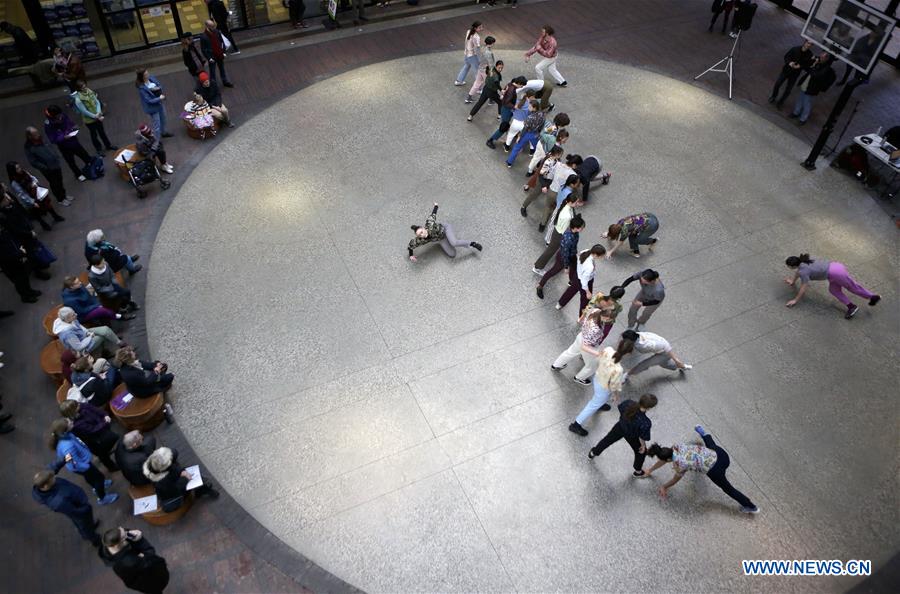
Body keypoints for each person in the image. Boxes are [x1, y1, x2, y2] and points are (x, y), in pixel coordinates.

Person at [645, 425, 760, 513]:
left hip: (715, 470)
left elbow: (675, 480)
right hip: (722, 456)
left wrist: (664, 486)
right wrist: (650, 470)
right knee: (711, 446)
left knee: (728, 489)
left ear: (669, 460)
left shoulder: (680, 464)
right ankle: (703, 433)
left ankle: (751, 506)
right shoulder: (677, 446)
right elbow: (663, 459)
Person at [568, 334, 635, 436]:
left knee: (598, 399)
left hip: (597, 377)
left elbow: (599, 357)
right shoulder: (618, 369)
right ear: (629, 353)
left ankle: (600, 404)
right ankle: (576, 424)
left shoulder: (608, 350)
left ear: (619, 344)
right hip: (604, 387)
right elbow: (614, 385)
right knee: (592, 405)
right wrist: (616, 395)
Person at [551, 290, 621, 384]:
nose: (612, 320)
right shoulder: (596, 329)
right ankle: (580, 378)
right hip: (589, 345)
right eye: (611, 318)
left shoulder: (595, 311)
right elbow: (585, 346)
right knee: (592, 365)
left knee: (570, 352)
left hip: (581, 336)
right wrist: (597, 353)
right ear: (605, 318)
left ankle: (556, 365)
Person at [784, 254, 879, 319]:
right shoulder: (803, 262)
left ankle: (873, 297)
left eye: (788, 266)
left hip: (836, 273)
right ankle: (851, 307)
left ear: (792, 266)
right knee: (834, 290)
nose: (788, 267)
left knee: (853, 287)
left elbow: (804, 287)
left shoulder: (803, 271)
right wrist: (792, 281)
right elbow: (798, 273)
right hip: (835, 267)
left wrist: (795, 300)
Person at [48, 418, 119, 505]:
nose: (71, 422)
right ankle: (102, 498)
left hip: (82, 464)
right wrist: (87, 467)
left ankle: (96, 487)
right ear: (65, 429)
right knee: (99, 478)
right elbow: (74, 463)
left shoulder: (66, 436)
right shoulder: (67, 446)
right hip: (82, 466)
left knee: (90, 478)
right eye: (69, 423)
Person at [588, 393, 658, 476]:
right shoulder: (645, 422)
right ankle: (638, 470)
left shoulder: (628, 403)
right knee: (641, 452)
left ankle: (594, 452)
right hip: (632, 436)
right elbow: (642, 437)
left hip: (620, 427)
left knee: (607, 440)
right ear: (649, 408)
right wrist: (643, 446)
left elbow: (620, 408)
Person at [32, 471, 101, 546]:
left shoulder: (45, 487)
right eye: (52, 479)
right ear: (45, 486)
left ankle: (89, 528)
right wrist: (85, 508)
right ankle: (94, 540)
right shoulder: (58, 502)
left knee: (83, 523)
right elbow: (74, 511)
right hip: (79, 509)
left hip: (77, 505)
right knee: (83, 525)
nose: (55, 477)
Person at [143, 447, 219, 510]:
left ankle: (201, 487)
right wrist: (185, 478)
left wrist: (181, 471)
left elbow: (172, 464)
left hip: (171, 481)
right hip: (171, 493)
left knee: (187, 473)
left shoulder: (154, 465)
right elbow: (175, 489)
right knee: (190, 479)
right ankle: (201, 489)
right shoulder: (161, 481)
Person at [0, 189, 53, 280]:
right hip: (22, 238)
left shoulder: (11, 205)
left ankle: (40, 265)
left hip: (26, 232)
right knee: (31, 254)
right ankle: (37, 271)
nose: (8, 198)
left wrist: (30, 227)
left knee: (34, 249)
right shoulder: (3, 215)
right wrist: (29, 233)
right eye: (5, 197)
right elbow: (14, 229)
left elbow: (21, 215)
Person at [99, 527, 170, 594]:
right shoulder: (130, 561)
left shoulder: (108, 552)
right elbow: (152, 556)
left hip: (139, 583)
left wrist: (129, 533)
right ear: (118, 544)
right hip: (151, 581)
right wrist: (140, 540)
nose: (127, 533)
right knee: (156, 590)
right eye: (124, 536)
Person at [533, 183, 583, 272]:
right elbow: (565, 230)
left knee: (550, 250)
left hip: (558, 232)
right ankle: (537, 267)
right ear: (570, 202)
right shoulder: (567, 215)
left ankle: (538, 265)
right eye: (576, 202)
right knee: (550, 251)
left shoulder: (567, 207)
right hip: (559, 235)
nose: (577, 204)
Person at [60, 399, 120, 472]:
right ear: (72, 412)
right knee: (102, 455)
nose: (79, 404)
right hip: (94, 441)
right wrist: (105, 422)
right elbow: (92, 430)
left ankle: (107, 453)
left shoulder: (82, 406)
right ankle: (111, 467)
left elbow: (95, 409)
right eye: (76, 405)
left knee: (108, 443)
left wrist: (104, 414)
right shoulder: (76, 424)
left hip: (101, 427)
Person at [408, 203, 482, 261]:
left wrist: (436, 206)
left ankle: (473, 243)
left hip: (445, 229)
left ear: (423, 228)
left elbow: (433, 214)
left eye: (421, 232)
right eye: (419, 235)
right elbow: (411, 246)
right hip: (441, 239)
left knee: (454, 242)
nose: (422, 235)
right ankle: (449, 240)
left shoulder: (429, 224)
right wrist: (411, 255)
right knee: (452, 254)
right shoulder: (421, 240)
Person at [536, 214, 585, 300]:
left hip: (571, 254)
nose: (583, 229)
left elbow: (573, 246)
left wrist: (575, 253)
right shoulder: (567, 238)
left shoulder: (575, 233)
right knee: (553, 271)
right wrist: (566, 267)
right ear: (576, 227)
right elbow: (565, 254)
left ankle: (571, 281)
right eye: (581, 227)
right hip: (563, 258)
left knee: (574, 268)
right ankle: (540, 285)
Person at [6, 161, 64, 230]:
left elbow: (32, 177)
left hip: (36, 192)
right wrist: (32, 202)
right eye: (17, 168)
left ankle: (55, 216)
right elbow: (22, 194)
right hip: (30, 197)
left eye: (19, 167)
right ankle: (43, 224)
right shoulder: (14, 182)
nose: (20, 169)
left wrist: (34, 182)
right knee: (36, 212)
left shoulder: (24, 172)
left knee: (47, 204)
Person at [23, 127, 74, 207]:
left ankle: (64, 195)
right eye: (35, 134)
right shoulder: (29, 147)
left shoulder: (41, 139)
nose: (38, 134)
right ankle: (60, 199)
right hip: (48, 169)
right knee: (54, 183)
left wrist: (56, 156)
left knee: (60, 180)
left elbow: (50, 146)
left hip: (55, 164)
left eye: (37, 132)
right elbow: (33, 162)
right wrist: (44, 167)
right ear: (30, 136)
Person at [43, 105, 93, 181]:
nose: (60, 117)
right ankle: (78, 174)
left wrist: (73, 127)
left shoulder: (62, 116)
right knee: (70, 161)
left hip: (73, 140)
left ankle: (91, 166)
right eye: (58, 116)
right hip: (64, 146)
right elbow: (52, 138)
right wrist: (63, 137)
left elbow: (69, 123)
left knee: (83, 154)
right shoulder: (48, 125)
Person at [621, 329, 692, 380]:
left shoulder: (643, 345)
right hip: (661, 348)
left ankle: (627, 375)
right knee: (666, 364)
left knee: (645, 364)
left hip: (664, 353)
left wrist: (676, 359)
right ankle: (682, 366)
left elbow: (664, 345)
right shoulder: (638, 334)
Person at [53, 306, 122, 357]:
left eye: (74, 313)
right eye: (73, 315)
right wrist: (90, 337)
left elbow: (79, 326)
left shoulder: (70, 320)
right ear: (67, 319)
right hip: (82, 348)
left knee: (105, 329)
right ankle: (105, 352)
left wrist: (87, 332)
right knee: (102, 336)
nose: (76, 314)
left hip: (84, 335)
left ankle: (119, 342)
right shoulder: (67, 334)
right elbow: (78, 347)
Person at [71, 80, 117, 155]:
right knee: (94, 135)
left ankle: (108, 145)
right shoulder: (78, 99)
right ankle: (98, 149)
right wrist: (95, 116)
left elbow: (97, 102)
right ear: (79, 89)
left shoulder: (89, 91)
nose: (85, 88)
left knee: (102, 132)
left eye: (85, 86)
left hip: (97, 116)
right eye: (82, 87)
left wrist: (98, 112)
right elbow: (84, 111)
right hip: (89, 121)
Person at [789, 52, 836, 125]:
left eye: (822, 57)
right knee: (800, 99)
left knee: (807, 104)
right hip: (805, 84)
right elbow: (807, 66)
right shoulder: (817, 63)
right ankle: (796, 112)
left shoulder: (826, 68)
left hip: (812, 88)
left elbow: (816, 75)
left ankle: (803, 119)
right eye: (820, 56)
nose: (820, 58)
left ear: (826, 59)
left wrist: (814, 66)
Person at [556, 244, 605, 312]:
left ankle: (560, 303)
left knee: (570, 291)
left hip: (577, 276)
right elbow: (584, 282)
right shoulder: (589, 267)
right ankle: (581, 316)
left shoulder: (586, 251)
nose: (602, 257)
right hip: (585, 282)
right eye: (602, 256)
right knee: (585, 301)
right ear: (596, 255)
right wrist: (588, 292)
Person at [62, 275, 131, 324]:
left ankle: (110, 319)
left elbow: (89, 296)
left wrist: (97, 304)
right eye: (77, 283)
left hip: (90, 305)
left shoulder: (79, 286)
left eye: (79, 281)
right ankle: (119, 317)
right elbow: (81, 311)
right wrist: (96, 306)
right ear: (71, 287)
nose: (80, 283)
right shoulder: (70, 300)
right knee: (102, 311)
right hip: (84, 315)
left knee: (103, 304)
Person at [769, 40, 814, 108]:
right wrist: (790, 63)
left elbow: (808, 65)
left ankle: (780, 102)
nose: (809, 45)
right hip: (786, 70)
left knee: (788, 90)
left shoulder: (810, 55)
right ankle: (773, 96)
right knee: (778, 84)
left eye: (811, 44)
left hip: (795, 74)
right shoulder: (795, 49)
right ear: (805, 43)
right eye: (808, 43)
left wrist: (800, 66)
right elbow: (786, 57)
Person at [0, 226, 40, 303]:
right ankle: (25, 297)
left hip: (17, 259)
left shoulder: (3, 232)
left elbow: (12, 242)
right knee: (19, 281)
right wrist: (20, 252)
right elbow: (5, 255)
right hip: (9, 265)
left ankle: (29, 291)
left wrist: (19, 248)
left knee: (24, 277)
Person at [485, 76, 526, 149]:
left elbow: (504, 93)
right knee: (503, 127)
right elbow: (507, 102)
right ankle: (490, 140)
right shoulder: (512, 90)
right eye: (522, 85)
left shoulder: (510, 84)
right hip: (506, 110)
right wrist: (514, 107)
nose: (522, 86)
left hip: (505, 109)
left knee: (505, 124)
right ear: (519, 83)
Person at [506, 99, 545, 167]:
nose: (528, 108)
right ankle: (540, 162)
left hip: (527, 133)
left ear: (534, 108)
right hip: (535, 134)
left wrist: (519, 136)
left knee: (517, 147)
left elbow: (525, 128)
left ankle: (509, 162)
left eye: (530, 107)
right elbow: (542, 125)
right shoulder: (542, 114)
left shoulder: (530, 117)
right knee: (538, 149)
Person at [136, 69, 171, 139]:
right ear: (142, 77)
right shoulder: (142, 88)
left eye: (147, 73)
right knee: (157, 124)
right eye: (146, 75)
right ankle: (157, 140)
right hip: (153, 108)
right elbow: (149, 100)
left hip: (159, 103)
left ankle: (163, 132)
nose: (148, 75)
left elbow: (159, 84)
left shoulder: (151, 78)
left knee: (163, 118)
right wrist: (159, 98)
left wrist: (157, 89)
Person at [200, 19, 234, 88]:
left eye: (213, 26)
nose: (213, 28)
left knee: (222, 69)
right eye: (212, 26)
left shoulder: (217, 32)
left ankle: (225, 81)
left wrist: (223, 52)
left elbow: (221, 42)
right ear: (207, 26)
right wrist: (209, 58)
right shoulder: (204, 37)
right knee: (212, 71)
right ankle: (213, 85)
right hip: (212, 56)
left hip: (219, 54)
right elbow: (204, 49)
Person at [466, 35, 496, 103]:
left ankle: (469, 97)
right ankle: (491, 100)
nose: (494, 44)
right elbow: (491, 64)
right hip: (486, 70)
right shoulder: (488, 52)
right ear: (491, 43)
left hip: (480, 68)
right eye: (493, 43)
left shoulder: (481, 48)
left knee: (477, 83)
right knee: (490, 85)